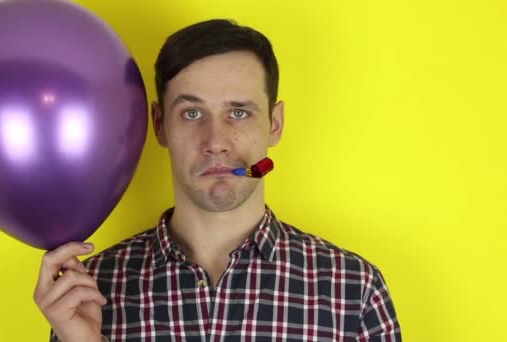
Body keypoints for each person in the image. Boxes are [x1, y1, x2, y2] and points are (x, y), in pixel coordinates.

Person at [34, 19, 401, 342]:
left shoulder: (354, 290)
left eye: (239, 112)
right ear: (160, 125)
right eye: (192, 113)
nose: (216, 143)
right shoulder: (88, 291)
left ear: (274, 124)